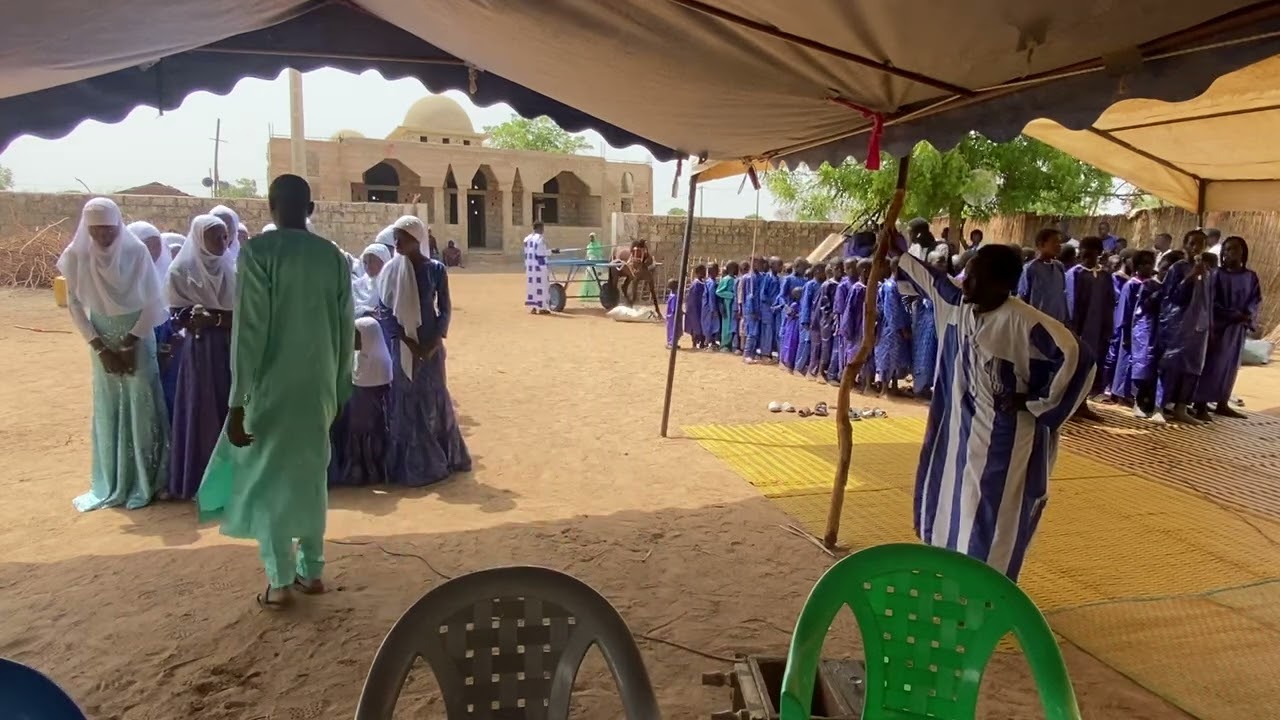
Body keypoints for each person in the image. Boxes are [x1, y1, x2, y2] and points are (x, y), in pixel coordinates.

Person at [197, 175, 354, 608]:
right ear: (311, 208)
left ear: (270, 206)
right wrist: (340, 387)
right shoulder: (332, 256)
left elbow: (249, 332)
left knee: (269, 479)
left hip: (271, 386)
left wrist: (237, 401)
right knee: (310, 475)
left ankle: (280, 580)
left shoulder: (258, 253)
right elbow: (346, 329)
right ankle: (312, 570)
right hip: (319, 385)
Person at [894, 240, 1093, 580]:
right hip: (956, 434)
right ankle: (951, 576)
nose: (965, 282)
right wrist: (892, 248)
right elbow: (926, 275)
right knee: (952, 502)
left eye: (974, 278)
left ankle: (988, 589)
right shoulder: (956, 305)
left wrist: (1035, 402)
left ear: (1001, 285)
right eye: (965, 275)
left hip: (1003, 445)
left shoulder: (1025, 323)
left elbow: (1078, 359)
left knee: (992, 516)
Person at [61, 198, 170, 512]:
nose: (103, 236)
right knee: (110, 404)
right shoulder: (76, 257)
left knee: (142, 402)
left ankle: (149, 479)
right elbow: (74, 306)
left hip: (138, 334)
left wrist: (130, 342)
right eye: (96, 230)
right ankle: (113, 479)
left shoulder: (136, 253)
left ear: (119, 225)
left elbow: (153, 301)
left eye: (109, 229)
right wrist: (100, 347)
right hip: (102, 339)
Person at [379, 215, 472, 487]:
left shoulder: (435, 270)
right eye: (396, 238)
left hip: (430, 345)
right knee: (406, 397)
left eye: (403, 238)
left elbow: (445, 308)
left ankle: (440, 457)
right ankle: (408, 465)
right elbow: (384, 309)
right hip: (403, 346)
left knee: (433, 396)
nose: (397, 243)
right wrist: (407, 342)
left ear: (416, 239)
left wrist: (433, 343)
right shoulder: (391, 270)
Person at [163, 215, 236, 499]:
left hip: (230, 348)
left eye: (224, 236)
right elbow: (175, 315)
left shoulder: (231, 269)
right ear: (198, 239)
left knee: (229, 407)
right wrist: (191, 317)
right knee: (202, 407)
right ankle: (200, 480)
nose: (222, 242)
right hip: (199, 351)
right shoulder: (181, 271)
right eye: (214, 236)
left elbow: (246, 313)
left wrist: (215, 319)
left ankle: (231, 482)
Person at [1193, 236, 1260, 420]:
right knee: (1213, 365)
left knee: (1230, 366)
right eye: (1228, 249)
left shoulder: (1250, 277)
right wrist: (1231, 314)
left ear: (1243, 252)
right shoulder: (1217, 275)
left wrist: (1248, 314)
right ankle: (1201, 404)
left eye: (1235, 249)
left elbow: (1255, 299)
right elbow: (1211, 301)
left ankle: (1222, 402)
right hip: (1219, 326)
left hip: (1238, 328)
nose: (1231, 253)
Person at [1156, 230, 1212, 424]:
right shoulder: (1177, 268)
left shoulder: (1207, 271)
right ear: (1185, 245)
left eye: (1200, 244)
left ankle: (1181, 407)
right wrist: (1190, 277)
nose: (1196, 248)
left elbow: (1207, 300)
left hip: (1197, 327)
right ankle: (1160, 405)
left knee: (1192, 367)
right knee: (1170, 365)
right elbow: (1171, 296)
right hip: (1177, 324)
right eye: (1192, 243)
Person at [330, 316, 392, 486]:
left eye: (356, 336)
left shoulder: (377, 362)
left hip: (367, 422)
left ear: (367, 337)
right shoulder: (361, 357)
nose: (353, 339)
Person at [130, 221, 179, 419]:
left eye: (156, 246)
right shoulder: (125, 278)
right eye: (147, 246)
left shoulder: (169, 272)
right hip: (135, 338)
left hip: (165, 335)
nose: (153, 252)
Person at [1063, 236, 1115, 421]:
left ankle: (1082, 404)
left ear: (1099, 254)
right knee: (1074, 367)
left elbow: (1110, 303)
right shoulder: (1074, 274)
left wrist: (1108, 329)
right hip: (1079, 329)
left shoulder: (1105, 276)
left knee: (1091, 368)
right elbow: (1070, 303)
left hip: (1098, 330)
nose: (1087, 258)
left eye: (1091, 254)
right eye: (1084, 254)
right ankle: (1069, 407)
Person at [1111, 250, 1155, 406]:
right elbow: (1124, 309)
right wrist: (1125, 331)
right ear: (1136, 266)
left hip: (1144, 331)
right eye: (1144, 264)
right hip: (1129, 329)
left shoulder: (1152, 285)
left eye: (1150, 263)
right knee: (1126, 360)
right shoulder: (1131, 285)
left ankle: (1133, 393)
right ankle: (1120, 393)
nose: (1147, 267)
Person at [874, 257, 911, 397]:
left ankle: (894, 386)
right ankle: (884, 388)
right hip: (890, 329)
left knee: (897, 358)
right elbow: (892, 311)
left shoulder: (898, 286)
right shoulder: (890, 287)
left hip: (898, 327)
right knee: (887, 357)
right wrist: (901, 328)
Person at [1018, 228, 1068, 323]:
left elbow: (1062, 294)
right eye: (1055, 242)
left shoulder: (1059, 266)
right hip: (1037, 321)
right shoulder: (1031, 268)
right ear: (1041, 244)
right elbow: (1022, 297)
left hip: (1057, 321)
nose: (1059, 245)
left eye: (1059, 242)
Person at [827, 258, 856, 384]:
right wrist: (841, 324)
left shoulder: (858, 284)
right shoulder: (843, 285)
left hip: (855, 322)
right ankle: (834, 375)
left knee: (850, 351)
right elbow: (839, 308)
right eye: (849, 268)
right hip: (844, 321)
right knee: (839, 349)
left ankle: (848, 376)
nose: (852, 270)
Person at [353, 243, 394, 317]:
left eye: (372, 261)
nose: (368, 266)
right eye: (365, 262)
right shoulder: (356, 286)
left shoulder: (391, 285)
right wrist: (365, 311)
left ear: (383, 261)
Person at [523, 222, 552, 314]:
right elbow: (540, 253)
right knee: (542, 286)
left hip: (530, 267)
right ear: (539, 228)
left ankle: (533, 307)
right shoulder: (540, 239)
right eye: (542, 228)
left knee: (532, 287)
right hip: (539, 267)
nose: (543, 230)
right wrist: (551, 252)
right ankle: (542, 307)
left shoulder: (527, 239)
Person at [797, 266, 821, 373]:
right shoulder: (810, 285)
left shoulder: (822, 284)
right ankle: (799, 367)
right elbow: (805, 304)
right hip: (808, 319)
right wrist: (805, 320)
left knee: (812, 344)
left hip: (817, 319)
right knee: (805, 343)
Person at [758, 257, 782, 360]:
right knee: (767, 331)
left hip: (775, 309)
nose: (781, 267)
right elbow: (763, 295)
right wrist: (771, 303)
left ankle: (772, 351)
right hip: (767, 309)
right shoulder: (767, 278)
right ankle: (765, 353)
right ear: (772, 266)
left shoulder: (779, 278)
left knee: (774, 331)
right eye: (779, 265)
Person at [740, 258, 762, 363]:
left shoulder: (758, 277)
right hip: (750, 309)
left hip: (756, 308)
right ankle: (747, 354)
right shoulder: (749, 278)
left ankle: (752, 353)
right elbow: (747, 296)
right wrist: (751, 310)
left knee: (755, 333)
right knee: (751, 333)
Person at [716, 261, 739, 352]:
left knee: (732, 325)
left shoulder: (735, 279)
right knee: (726, 325)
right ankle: (724, 345)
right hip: (727, 304)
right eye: (736, 268)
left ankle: (730, 344)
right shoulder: (726, 279)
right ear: (731, 269)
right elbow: (719, 292)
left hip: (733, 305)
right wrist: (731, 295)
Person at [779, 287, 803, 371]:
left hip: (796, 326)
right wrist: (798, 315)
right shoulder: (794, 305)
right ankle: (787, 362)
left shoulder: (800, 304)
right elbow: (790, 314)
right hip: (792, 327)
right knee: (790, 344)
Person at [686, 264, 707, 348]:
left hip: (701, 308)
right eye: (703, 271)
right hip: (695, 309)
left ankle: (702, 343)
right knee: (695, 326)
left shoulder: (703, 283)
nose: (705, 273)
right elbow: (692, 298)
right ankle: (694, 343)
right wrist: (693, 310)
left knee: (702, 325)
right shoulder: (695, 284)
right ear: (698, 272)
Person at [701, 263, 721, 350]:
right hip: (710, 308)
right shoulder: (712, 283)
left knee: (708, 325)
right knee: (712, 325)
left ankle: (709, 342)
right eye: (717, 270)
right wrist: (713, 309)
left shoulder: (708, 281)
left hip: (706, 307)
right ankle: (709, 343)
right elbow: (712, 297)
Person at [664, 279, 681, 350]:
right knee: (673, 330)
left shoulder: (672, 295)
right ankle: (671, 343)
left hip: (670, 316)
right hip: (673, 316)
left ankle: (673, 343)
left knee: (672, 329)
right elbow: (674, 309)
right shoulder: (674, 296)